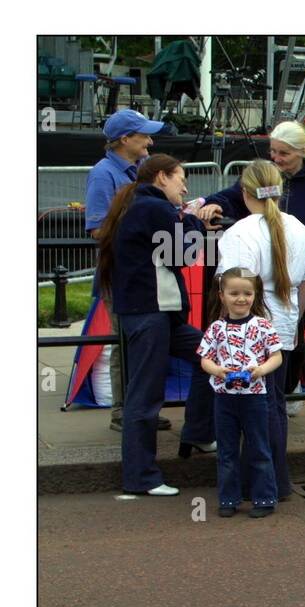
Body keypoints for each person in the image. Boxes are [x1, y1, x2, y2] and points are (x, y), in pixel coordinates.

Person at [196, 121, 305, 412]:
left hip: (296, 275)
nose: (276, 159)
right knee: (269, 341)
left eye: (283, 154)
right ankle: (268, 402)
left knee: (289, 339)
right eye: (273, 152)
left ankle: (283, 391)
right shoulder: (264, 181)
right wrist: (212, 202)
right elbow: (236, 194)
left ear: (302, 152)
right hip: (280, 283)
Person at [95, 154, 216, 495]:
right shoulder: (154, 208)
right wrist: (194, 222)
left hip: (153, 312)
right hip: (152, 311)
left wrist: (184, 218)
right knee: (145, 397)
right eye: (181, 179)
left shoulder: (136, 204)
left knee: (212, 357)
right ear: (162, 177)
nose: (184, 187)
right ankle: (141, 478)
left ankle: (198, 433)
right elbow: (183, 255)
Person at [214, 160, 305, 501]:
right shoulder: (300, 229)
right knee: (272, 405)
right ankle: (274, 480)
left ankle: (260, 483)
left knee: (251, 409)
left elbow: (235, 291)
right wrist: (294, 324)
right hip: (284, 324)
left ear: (244, 193)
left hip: (248, 331)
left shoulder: (238, 233)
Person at [85, 108, 170, 434]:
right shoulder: (104, 174)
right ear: (125, 139)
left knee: (143, 343)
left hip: (143, 274)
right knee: (125, 343)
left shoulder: (137, 171)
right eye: (144, 135)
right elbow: (96, 228)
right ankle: (124, 411)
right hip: (121, 275)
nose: (150, 140)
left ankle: (141, 408)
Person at [198, 268, 284, 518]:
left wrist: (260, 370)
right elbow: (205, 359)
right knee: (226, 450)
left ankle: (265, 498)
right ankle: (228, 499)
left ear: (255, 295)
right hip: (224, 398)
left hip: (255, 397)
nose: (241, 298)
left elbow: (276, 356)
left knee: (259, 447)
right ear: (222, 295)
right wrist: (217, 370)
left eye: (247, 293)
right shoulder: (215, 328)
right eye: (234, 293)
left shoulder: (263, 326)